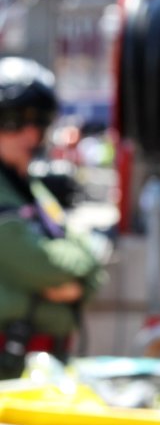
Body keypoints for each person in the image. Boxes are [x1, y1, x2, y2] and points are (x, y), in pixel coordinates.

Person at [0, 57, 103, 379]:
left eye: (40, 121)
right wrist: (74, 273)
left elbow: (92, 258)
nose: (30, 134)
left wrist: (80, 283)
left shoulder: (31, 188)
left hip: (42, 370)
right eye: (14, 119)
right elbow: (45, 265)